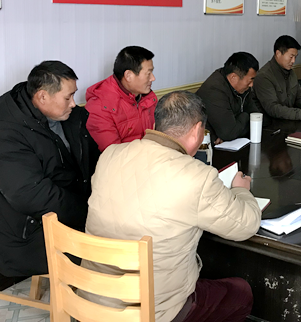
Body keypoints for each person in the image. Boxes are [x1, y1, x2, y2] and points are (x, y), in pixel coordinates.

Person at [82, 91, 261, 322]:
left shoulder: (110, 155)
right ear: (197, 130)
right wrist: (241, 190)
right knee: (240, 292)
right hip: (151, 312)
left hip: (92, 298)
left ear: (156, 124)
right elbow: (246, 225)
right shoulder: (197, 176)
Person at [0, 61, 99, 276]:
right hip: (27, 236)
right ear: (43, 97)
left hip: (68, 218)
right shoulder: (7, 136)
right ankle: (84, 298)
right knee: (108, 251)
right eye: (68, 97)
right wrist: (88, 212)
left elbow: (93, 162)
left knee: (124, 230)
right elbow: (32, 196)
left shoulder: (71, 118)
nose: (74, 103)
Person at [85, 46, 157, 151]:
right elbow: (113, 154)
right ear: (128, 76)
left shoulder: (147, 96)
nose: (153, 78)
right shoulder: (99, 107)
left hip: (151, 156)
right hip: (125, 160)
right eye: (148, 73)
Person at [196, 52, 259, 143]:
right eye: (250, 80)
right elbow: (229, 133)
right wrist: (245, 115)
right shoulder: (214, 90)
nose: (251, 85)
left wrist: (237, 125)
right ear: (233, 77)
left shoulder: (243, 88)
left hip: (230, 142)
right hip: (207, 145)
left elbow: (257, 117)